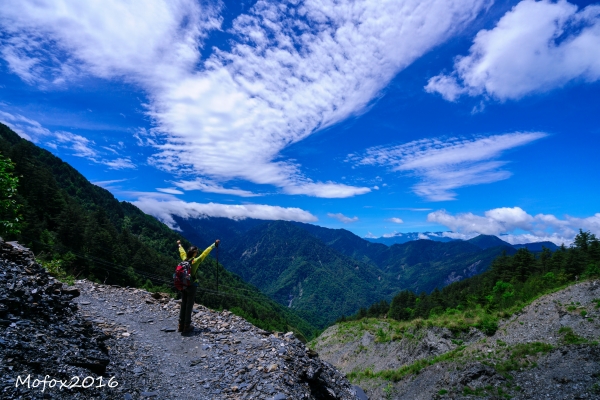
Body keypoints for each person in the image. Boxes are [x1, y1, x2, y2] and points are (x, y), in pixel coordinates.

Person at [176, 239, 220, 334]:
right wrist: (214, 244)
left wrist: (179, 244)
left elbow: (182, 251)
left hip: (183, 285)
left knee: (183, 303)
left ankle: (180, 325)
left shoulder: (184, 259)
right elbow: (205, 252)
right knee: (189, 305)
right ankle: (187, 325)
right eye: (197, 252)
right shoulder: (196, 261)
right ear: (195, 253)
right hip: (192, 286)